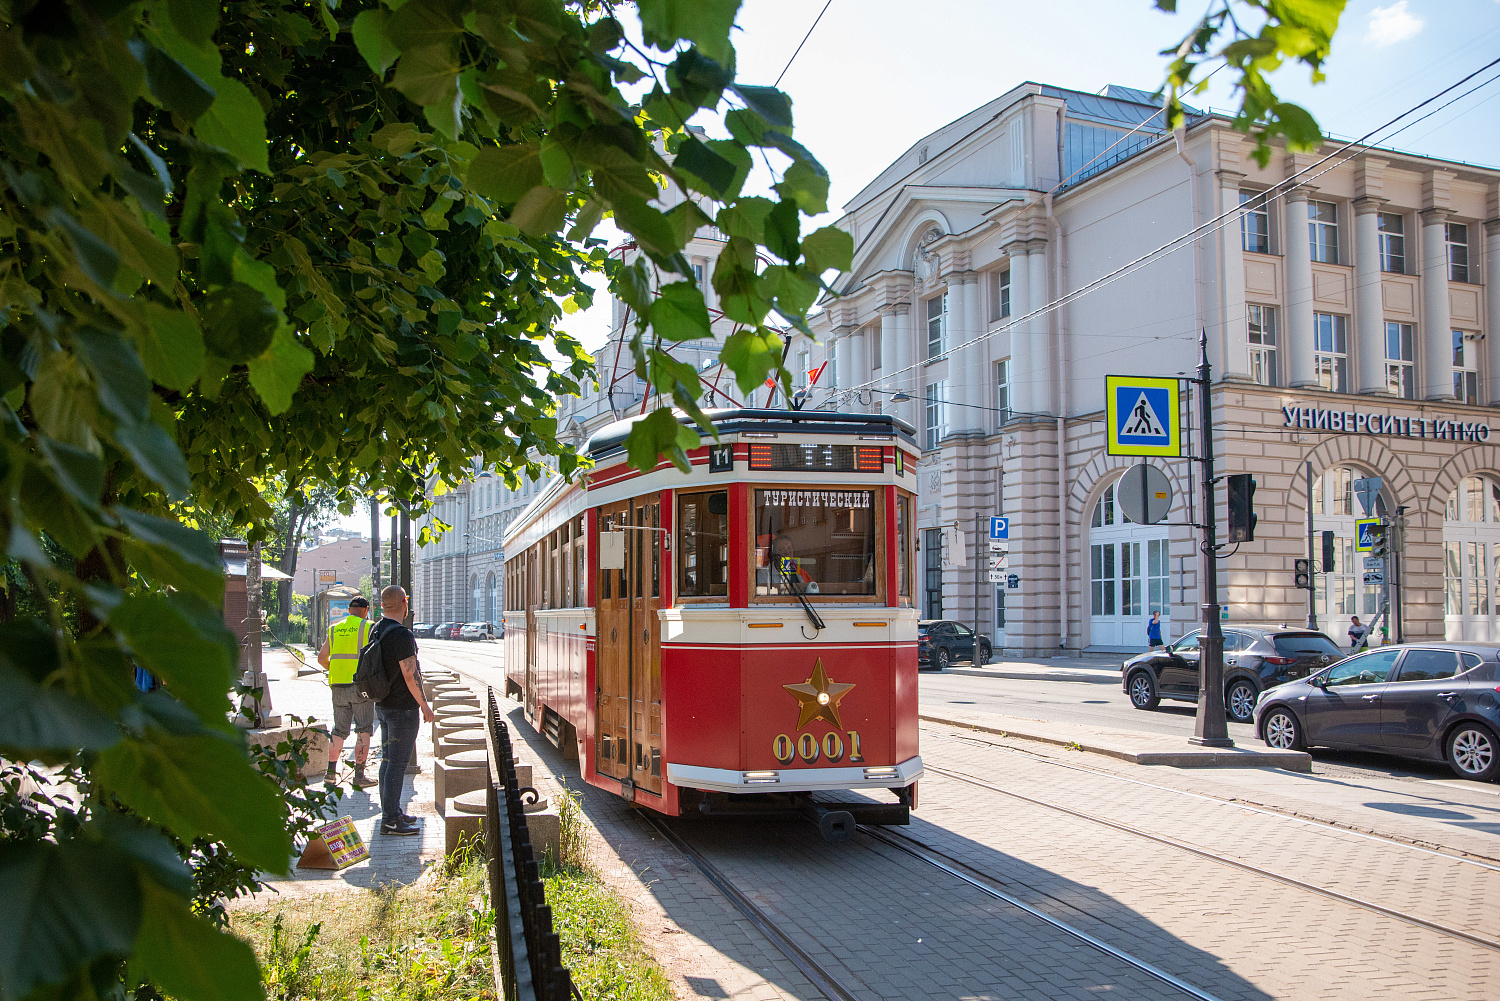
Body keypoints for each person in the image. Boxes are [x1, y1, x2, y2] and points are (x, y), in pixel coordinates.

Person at [372, 585, 434, 836]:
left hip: (384, 706)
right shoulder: (402, 635)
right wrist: (425, 706)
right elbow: (411, 676)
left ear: (383, 605)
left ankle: (392, 812)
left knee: (387, 762)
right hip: (402, 710)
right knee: (397, 764)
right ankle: (390, 819)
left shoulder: (377, 629)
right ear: (404, 603)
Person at [317, 595, 375, 787]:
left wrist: (334, 669)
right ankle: (359, 776)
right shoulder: (368, 627)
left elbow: (322, 658)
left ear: (349, 610)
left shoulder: (334, 628)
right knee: (364, 730)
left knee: (339, 730)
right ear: (366, 611)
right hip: (361, 687)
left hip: (338, 686)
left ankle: (330, 773)